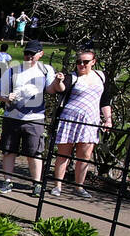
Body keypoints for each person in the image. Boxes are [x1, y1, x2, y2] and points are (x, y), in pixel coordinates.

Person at [47, 47, 112, 199]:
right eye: (79, 62)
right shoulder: (73, 76)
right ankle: (57, 185)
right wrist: (59, 80)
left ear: (93, 62)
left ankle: (79, 187)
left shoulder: (101, 77)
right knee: (64, 154)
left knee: (84, 156)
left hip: (91, 121)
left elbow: (105, 100)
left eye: (85, 62)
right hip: (69, 119)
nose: (81, 65)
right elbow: (61, 89)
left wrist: (108, 119)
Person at [0, 40, 52, 194]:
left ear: (40, 54)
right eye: (26, 53)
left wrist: (59, 81)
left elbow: (52, 90)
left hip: (34, 118)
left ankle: (37, 183)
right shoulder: (13, 71)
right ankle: (7, 181)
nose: (29, 57)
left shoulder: (46, 71)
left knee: (34, 152)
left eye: (32, 54)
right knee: (8, 150)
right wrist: (7, 98)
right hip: (12, 117)